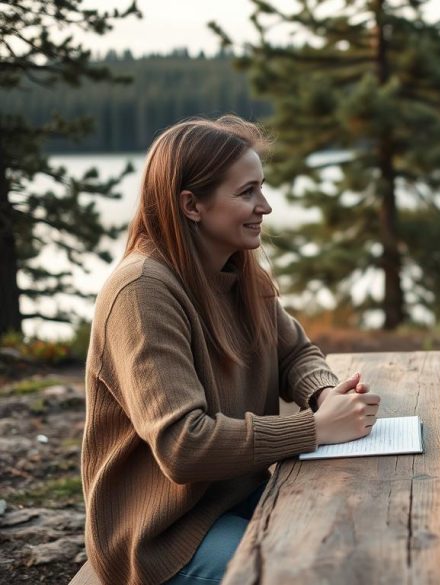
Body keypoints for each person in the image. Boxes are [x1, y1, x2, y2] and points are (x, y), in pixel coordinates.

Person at [81, 115, 382, 585]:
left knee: (363, 530)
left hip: (237, 494)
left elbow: (296, 354)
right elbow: (184, 445)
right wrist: (315, 429)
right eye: (247, 192)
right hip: (164, 532)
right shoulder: (142, 292)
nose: (265, 206)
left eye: (261, 188)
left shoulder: (238, 270)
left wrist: (326, 395)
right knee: (300, 574)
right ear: (192, 205)